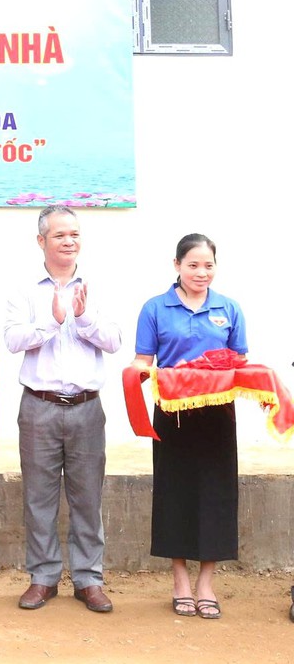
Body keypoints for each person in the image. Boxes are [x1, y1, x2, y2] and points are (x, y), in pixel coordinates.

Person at [4, 206, 121, 613]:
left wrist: (84, 317)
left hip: (87, 408)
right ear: (42, 241)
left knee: (88, 496)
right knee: (39, 497)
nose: (69, 241)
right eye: (60, 235)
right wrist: (52, 323)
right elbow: (13, 340)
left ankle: (89, 578)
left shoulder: (97, 285)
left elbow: (114, 340)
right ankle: (43, 576)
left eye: (74, 234)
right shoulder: (25, 288)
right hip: (39, 406)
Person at [134, 233, 245, 620]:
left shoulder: (228, 309)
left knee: (216, 495)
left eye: (208, 265)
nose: (201, 272)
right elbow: (142, 361)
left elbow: (240, 361)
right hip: (173, 414)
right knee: (174, 493)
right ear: (177, 265)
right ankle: (180, 580)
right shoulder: (155, 308)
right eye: (193, 264)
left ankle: (206, 584)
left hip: (218, 416)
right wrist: (137, 379)